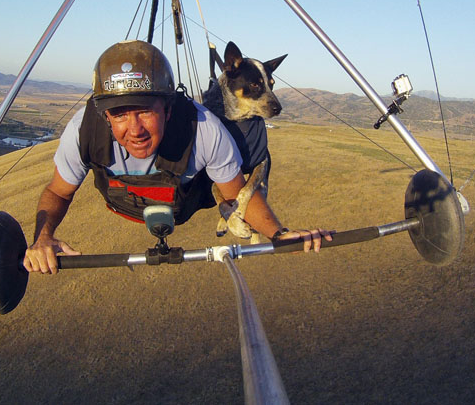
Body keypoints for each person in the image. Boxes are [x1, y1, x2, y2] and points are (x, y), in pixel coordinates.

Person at [23, 40, 331, 274]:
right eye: (119, 115)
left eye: (145, 111)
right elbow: (57, 192)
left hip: (186, 202)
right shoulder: (84, 130)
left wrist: (279, 234)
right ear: (105, 116)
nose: (135, 130)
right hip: (122, 204)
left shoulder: (204, 129)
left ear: (168, 110)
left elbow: (238, 195)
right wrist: (43, 237)